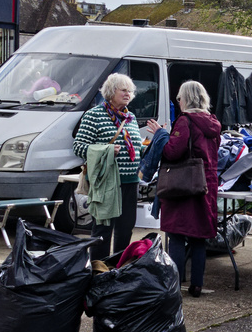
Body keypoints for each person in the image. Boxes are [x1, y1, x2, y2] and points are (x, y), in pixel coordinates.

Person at [73, 73, 160, 262]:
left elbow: (134, 147)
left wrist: (148, 147)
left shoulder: (130, 117)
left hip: (130, 182)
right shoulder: (94, 115)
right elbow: (79, 148)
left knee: (125, 228)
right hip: (106, 183)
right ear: (111, 92)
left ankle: (118, 269)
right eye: (124, 90)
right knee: (103, 229)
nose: (128, 94)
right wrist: (108, 150)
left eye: (130, 91)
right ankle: (98, 270)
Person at [156, 81, 222, 297]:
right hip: (206, 183)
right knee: (198, 236)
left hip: (184, 184)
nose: (179, 101)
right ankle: (197, 284)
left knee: (176, 233)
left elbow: (173, 152)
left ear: (186, 99)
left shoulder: (185, 121)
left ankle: (175, 283)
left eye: (179, 98)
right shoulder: (213, 122)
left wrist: (161, 136)